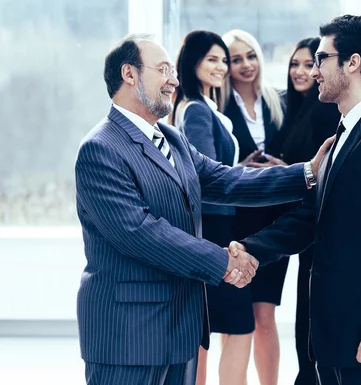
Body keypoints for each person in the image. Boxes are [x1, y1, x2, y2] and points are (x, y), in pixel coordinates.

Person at [75, 33, 332, 385]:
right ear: (129, 74)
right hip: (129, 336)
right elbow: (142, 233)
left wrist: (307, 173)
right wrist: (224, 262)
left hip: (181, 330)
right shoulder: (100, 148)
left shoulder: (173, 140)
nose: (174, 79)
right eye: (164, 69)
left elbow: (228, 181)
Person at [230, 15, 361, 385]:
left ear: (352, 63)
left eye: (321, 58)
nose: (314, 69)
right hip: (332, 334)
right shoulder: (343, 135)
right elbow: (312, 218)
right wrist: (253, 248)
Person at [170, 30, 260, 385]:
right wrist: (247, 178)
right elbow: (205, 177)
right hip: (213, 228)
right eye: (212, 59)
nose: (222, 66)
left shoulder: (206, 107)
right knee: (237, 324)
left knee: (213, 327)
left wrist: (242, 168)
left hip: (218, 225)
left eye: (224, 59)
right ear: (193, 63)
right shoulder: (195, 110)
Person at [250, 37, 340, 385]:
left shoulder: (326, 110)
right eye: (295, 64)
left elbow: (323, 170)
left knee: (311, 316)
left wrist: (287, 168)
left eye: (310, 64)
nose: (302, 71)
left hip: (311, 224)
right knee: (304, 317)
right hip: (290, 222)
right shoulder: (287, 107)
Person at [221, 29, 288, 385]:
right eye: (236, 59)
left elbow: (297, 154)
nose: (245, 64)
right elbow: (212, 164)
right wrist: (238, 169)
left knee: (265, 317)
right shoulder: (219, 108)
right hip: (236, 224)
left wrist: (282, 167)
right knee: (237, 319)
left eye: (250, 56)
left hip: (274, 223)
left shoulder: (280, 102)